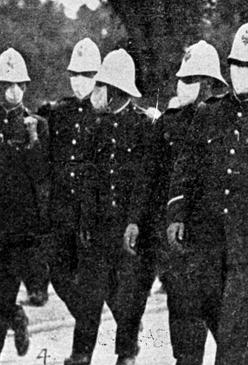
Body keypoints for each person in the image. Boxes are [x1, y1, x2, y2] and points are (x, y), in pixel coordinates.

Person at [166, 21, 248, 364]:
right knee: (212, 321)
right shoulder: (208, 114)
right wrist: (176, 214)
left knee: (229, 343)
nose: (242, 72)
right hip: (206, 245)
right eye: (236, 65)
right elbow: (186, 168)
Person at [62, 49, 157, 365]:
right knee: (90, 295)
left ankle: (126, 353)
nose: (101, 92)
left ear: (120, 89)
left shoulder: (144, 125)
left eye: (107, 86)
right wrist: (85, 220)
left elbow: (145, 180)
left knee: (129, 296)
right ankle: (81, 353)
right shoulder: (95, 125)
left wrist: (135, 221)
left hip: (131, 229)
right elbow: (88, 176)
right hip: (99, 227)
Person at [154, 40, 231, 365]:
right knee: (182, 314)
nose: (182, 86)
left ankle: (240, 356)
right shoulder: (167, 124)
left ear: (210, 84)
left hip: (215, 236)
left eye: (191, 80)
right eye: (181, 80)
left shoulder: (227, 122)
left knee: (216, 312)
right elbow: (151, 180)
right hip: (178, 237)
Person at [38, 38, 101, 335]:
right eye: (74, 75)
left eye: (86, 75)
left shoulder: (104, 115)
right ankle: (88, 320)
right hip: (62, 210)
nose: (79, 82)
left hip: (91, 211)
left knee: (91, 278)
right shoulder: (57, 112)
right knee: (59, 275)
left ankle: (89, 327)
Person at [0, 47, 49, 358]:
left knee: (3, 291)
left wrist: (32, 141)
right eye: (6, 84)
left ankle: (14, 314)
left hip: (20, 228)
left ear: (26, 87)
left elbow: (41, 175)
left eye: (18, 84)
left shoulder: (37, 124)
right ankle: (15, 314)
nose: (13, 91)